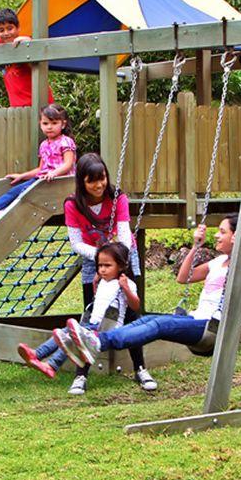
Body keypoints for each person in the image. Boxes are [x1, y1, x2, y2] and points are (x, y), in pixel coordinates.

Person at [58, 214, 241, 373]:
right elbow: (183, 277)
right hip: (197, 319)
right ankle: (95, 339)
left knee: (159, 326)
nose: (217, 235)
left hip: (212, 328)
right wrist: (196, 246)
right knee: (146, 320)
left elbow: (236, 286)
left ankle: (98, 342)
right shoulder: (217, 262)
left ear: (237, 235)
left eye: (223, 232)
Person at [62, 153, 156, 395]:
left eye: (102, 178)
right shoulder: (73, 204)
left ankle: (140, 368)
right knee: (91, 317)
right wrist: (102, 259)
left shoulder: (117, 198)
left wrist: (115, 261)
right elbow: (76, 243)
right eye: (92, 180)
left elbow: (124, 235)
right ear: (81, 181)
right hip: (93, 258)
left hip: (123, 256)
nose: (99, 185)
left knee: (132, 315)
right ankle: (81, 375)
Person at [17, 242, 140, 384]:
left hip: (108, 329)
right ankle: (37, 354)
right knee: (64, 332)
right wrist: (96, 285)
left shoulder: (126, 283)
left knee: (73, 337)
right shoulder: (102, 281)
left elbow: (135, 305)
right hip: (93, 325)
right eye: (100, 266)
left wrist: (126, 289)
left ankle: (51, 365)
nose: (102, 270)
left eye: (107, 266)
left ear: (121, 266)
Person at [0, 103, 76, 228]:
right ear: (40, 124)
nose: (49, 127)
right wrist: (22, 176)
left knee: (24, 193)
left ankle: (1, 212)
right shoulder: (44, 145)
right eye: (45, 123)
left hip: (59, 183)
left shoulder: (65, 142)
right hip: (43, 181)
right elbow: (40, 169)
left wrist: (54, 173)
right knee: (14, 190)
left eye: (54, 123)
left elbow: (68, 164)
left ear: (63, 124)